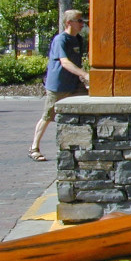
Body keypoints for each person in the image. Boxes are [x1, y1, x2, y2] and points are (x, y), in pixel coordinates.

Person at [29, 10, 90, 161]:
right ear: (69, 23)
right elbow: (65, 62)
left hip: (74, 83)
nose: (83, 24)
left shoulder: (78, 39)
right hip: (58, 85)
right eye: (79, 21)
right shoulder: (60, 40)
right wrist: (84, 74)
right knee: (48, 115)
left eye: (83, 21)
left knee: (89, 105)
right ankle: (34, 148)